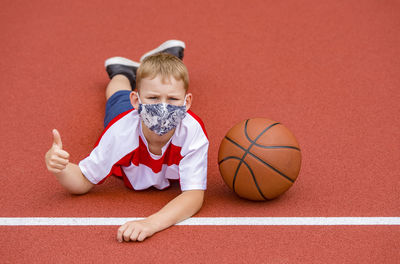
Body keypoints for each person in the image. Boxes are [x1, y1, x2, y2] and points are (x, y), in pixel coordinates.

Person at [44, 40, 209, 242]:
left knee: (158, 81)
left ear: (187, 102)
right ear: (136, 101)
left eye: (173, 100)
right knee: (116, 96)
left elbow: (194, 196)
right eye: (153, 98)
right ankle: (122, 73)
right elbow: (82, 181)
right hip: (125, 114)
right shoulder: (121, 132)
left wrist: (151, 223)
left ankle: (158, 65)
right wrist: (60, 168)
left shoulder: (192, 131)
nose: (163, 107)